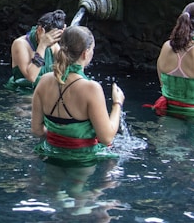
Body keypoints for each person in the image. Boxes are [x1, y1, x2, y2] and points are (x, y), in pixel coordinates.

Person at [31, 25, 124, 165]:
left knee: (51, 185)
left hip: (51, 154)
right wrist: (117, 104)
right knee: (78, 186)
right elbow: (106, 138)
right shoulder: (92, 88)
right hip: (82, 159)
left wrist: (61, 140)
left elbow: (37, 130)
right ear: (85, 53)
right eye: (92, 50)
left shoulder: (44, 81)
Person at [5, 9, 66, 92]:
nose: (53, 42)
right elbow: (31, 77)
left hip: (45, 90)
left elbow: (67, 70)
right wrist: (42, 45)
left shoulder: (53, 44)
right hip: (22, 93)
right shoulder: (20, 44)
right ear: (39, 30)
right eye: (51, 38)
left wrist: (66, 38)